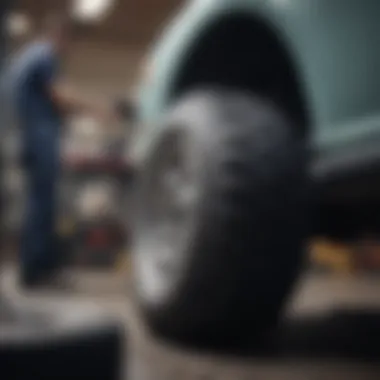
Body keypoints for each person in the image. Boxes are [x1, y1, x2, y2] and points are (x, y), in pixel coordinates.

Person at [4, 12, 118, 289]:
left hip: (29, 138)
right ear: (60, 37)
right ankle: (35, 271)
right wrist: (97, 109)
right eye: (68, 44)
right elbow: (61, 95)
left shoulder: (27, 57)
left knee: (40, 203)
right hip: (38, 138)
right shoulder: (43, 55)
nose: (68, 51)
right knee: (42, 205)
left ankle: (37, 268)